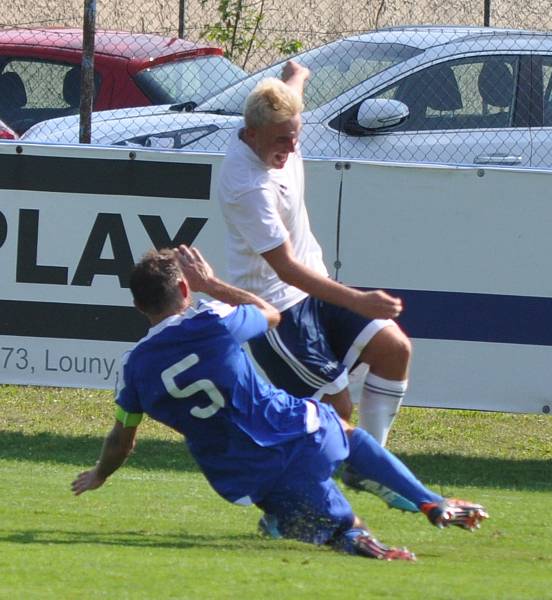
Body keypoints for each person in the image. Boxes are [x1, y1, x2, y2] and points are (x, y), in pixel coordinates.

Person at [71, 246, 488, 560]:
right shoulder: (213, 319)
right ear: (184, 288)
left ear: (137, 306)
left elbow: (121, 440)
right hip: (300, 430)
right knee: (349, 434)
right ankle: (427, 499)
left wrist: (100, 474)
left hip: (250, 475)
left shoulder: (134, 368)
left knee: (334, 529)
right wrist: (212, 284)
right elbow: (271, 314)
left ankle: (360, 540)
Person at [216, 60, 415, 511]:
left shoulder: (275, 118)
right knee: (334, 413)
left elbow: (289, 91)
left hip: (316, 291)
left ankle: (370, 465)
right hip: (276, 312)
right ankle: (286, 506)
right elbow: (285, 268)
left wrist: (298, 72)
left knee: (394, 350)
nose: (291, 146)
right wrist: (360, 301)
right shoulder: (247, 185)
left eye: (295, 135)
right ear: (251, 133)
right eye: (281, 140)